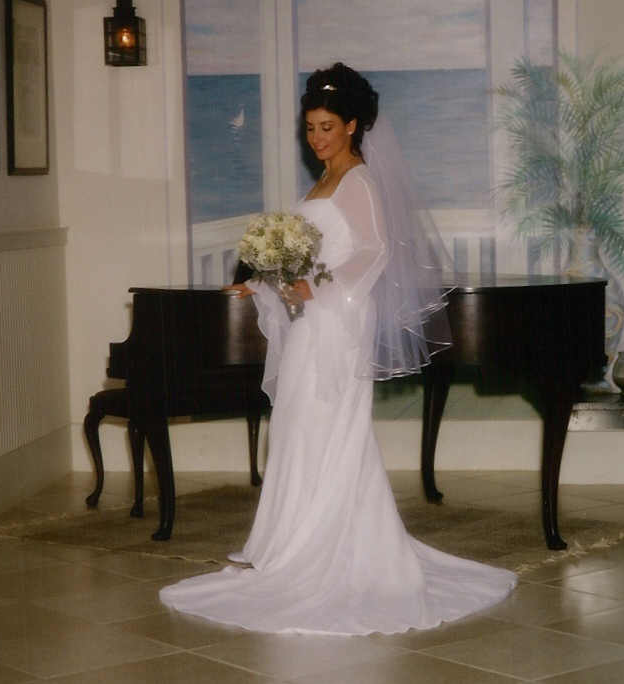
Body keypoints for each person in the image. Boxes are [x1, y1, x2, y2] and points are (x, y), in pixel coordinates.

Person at [159, 63, 516, 634]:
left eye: (327, 127)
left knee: (328, 425)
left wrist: (318, 289)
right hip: (312, 321)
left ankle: (327, 550)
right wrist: (258, 284)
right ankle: (288, 542)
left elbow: (373, 251)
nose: (317, 138)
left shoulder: (359, 181)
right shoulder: (322, 182)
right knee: (299, 424)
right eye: (310, 128)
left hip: (339, 321)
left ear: (351, 125)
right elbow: (304, 258)